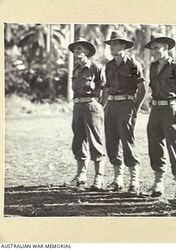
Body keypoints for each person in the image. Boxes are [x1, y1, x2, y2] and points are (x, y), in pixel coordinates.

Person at [143, 34, 176, 205]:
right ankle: (158, 182)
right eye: (152, 48)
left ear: (166, 48)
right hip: (156, 109)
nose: (154, 51)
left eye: (157, 48)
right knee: (154, 145)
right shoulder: (153, 66)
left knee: (174, 147)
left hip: (171, 108)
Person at [102, 31, 146, 194]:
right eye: (111, 44)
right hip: (111, 105)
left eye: (116, 44)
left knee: (127, 141)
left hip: (126, 105)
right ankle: (117, 179)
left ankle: (134, 181)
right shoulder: (109, 65)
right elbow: (106, 88)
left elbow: (142, 89)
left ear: (123, 46)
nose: (112, 47)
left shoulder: (133, 64)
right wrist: (104, 105)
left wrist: (135, 108)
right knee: (111, 141)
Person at [68, 38, 107, 190]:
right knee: (78, 141)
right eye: (75, 49)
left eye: (80, 49)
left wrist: (99, 106)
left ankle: (99, 177)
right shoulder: (76, 69)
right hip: (77, 106)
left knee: (95, 142)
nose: (77, 52)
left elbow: (104, 89)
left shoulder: (95, 68)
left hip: (91, 106)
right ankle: (81, 174)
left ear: (87, 52)